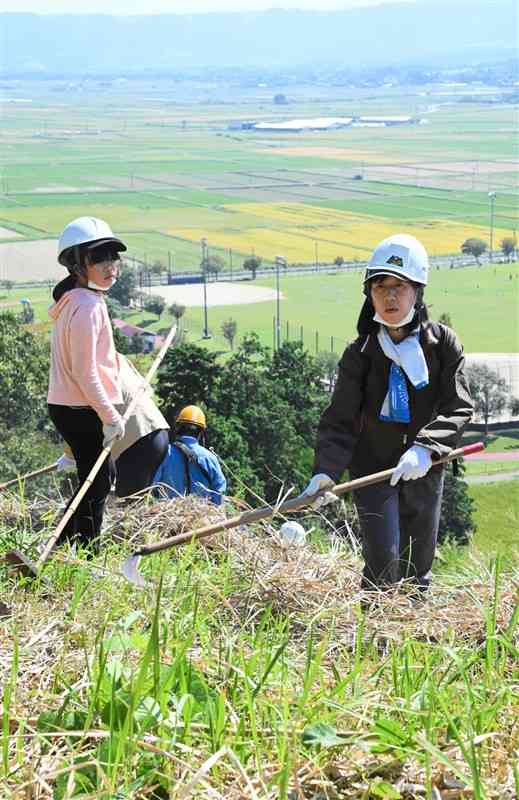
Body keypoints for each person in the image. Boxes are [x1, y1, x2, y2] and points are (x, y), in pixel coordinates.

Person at [302, 234, 473, 593]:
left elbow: (458, 406)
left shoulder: (442, 346)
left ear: (418, 291)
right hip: (374, 470)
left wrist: (425, 447)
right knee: (384, 562)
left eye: (400, 286)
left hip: (425, 468)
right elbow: (340, 421)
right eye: (380, 287)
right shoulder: (360, 354)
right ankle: (376, 639)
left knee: (417, 566)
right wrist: (324, 472)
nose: (390, 296)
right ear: (370, 294)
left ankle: (413, 639)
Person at [48, 216, 127, 550]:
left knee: (92, 481)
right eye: (99, 258)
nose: (110, 265)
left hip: (71, 407)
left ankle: (68, 544)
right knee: (97, 483)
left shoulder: (76, 301)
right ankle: (84, 550)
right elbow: (84, 371)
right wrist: (110, 416)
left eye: (112, 256)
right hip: (81, 408)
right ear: (78, 265)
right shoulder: (86, 306)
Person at [57, 352, 170, 498]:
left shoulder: (85, 371)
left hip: (135, 443)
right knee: (135, 502)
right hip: (157, 430)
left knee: (127, 504)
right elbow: (147, 389)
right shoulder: (116, 357)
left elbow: (81, 421)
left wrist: (70, 454)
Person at [153, 405, 226, 505]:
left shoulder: (166, 453)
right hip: (204, 517)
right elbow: (219, 492)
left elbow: (152, 487)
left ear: (177, 428)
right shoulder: (210, 458)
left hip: (169, 516)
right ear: (201, 433)